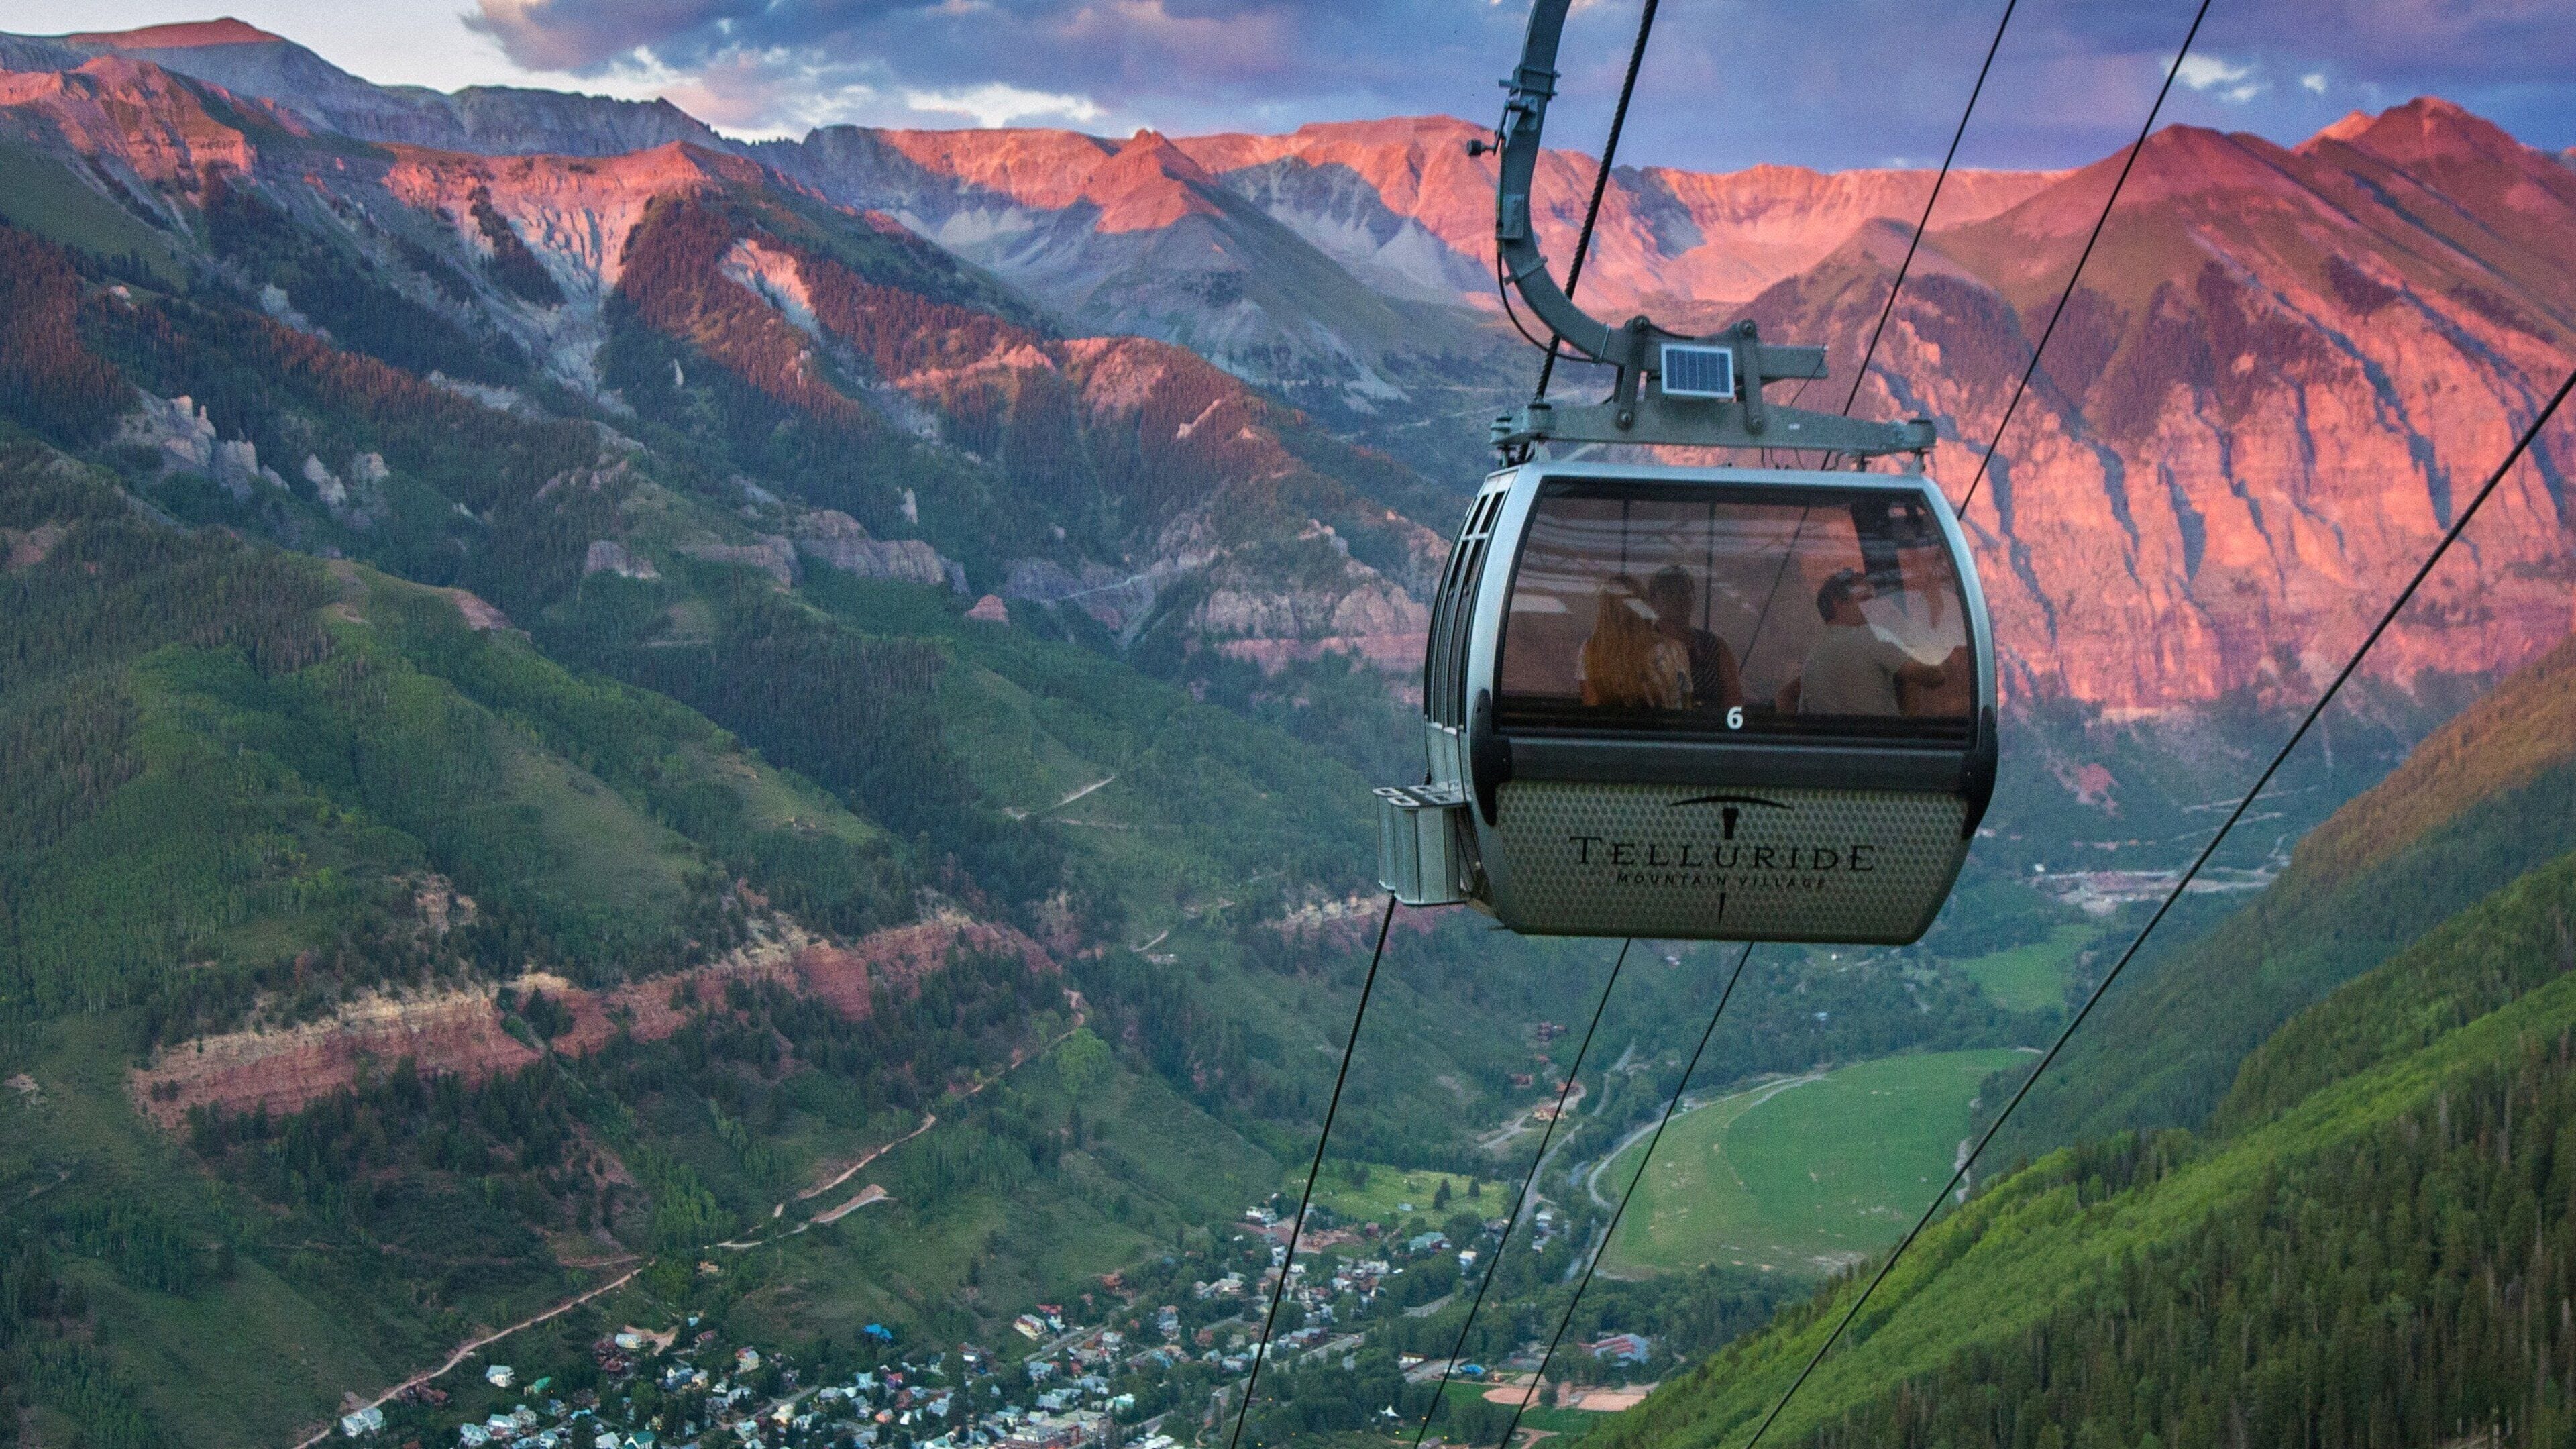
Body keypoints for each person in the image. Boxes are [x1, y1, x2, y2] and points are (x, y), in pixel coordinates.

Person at [1778, 568, 1945, 716]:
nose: (1873, 606)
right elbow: (1935, 676)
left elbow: (1787, 701)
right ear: (1838, 604)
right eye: (1865, 599)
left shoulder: (1812, 659)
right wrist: (1916, 624)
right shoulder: (1870, 636)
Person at [1644, 566, 1743, 714]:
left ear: (1694, 597)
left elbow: (1734, 698)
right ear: (1653, 601)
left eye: (1684, 591)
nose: (1678, 599)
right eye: (1668, 593)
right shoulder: (1642, 645)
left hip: (1708, 726)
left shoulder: (1714, 646)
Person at [1580, 576, 1688, 710]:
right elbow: (1685, 706)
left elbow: (1591, 706)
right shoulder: (1673, 649)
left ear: (1605, 610)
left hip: (1610, 723)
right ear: (1642, 607)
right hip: (1661, 723)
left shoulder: (1592, 649)